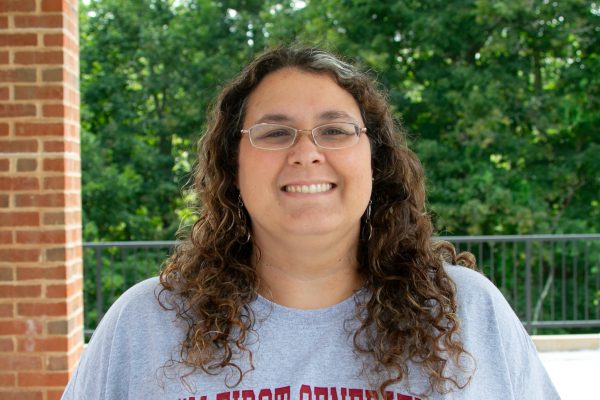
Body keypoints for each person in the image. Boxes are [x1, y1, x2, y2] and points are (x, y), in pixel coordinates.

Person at [62, 46, 559, 400]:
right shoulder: (147, 323)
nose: (306, 153)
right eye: (275, 132)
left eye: (335, 130)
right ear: (232, 166)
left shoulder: (465, 313)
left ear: (375, 160)